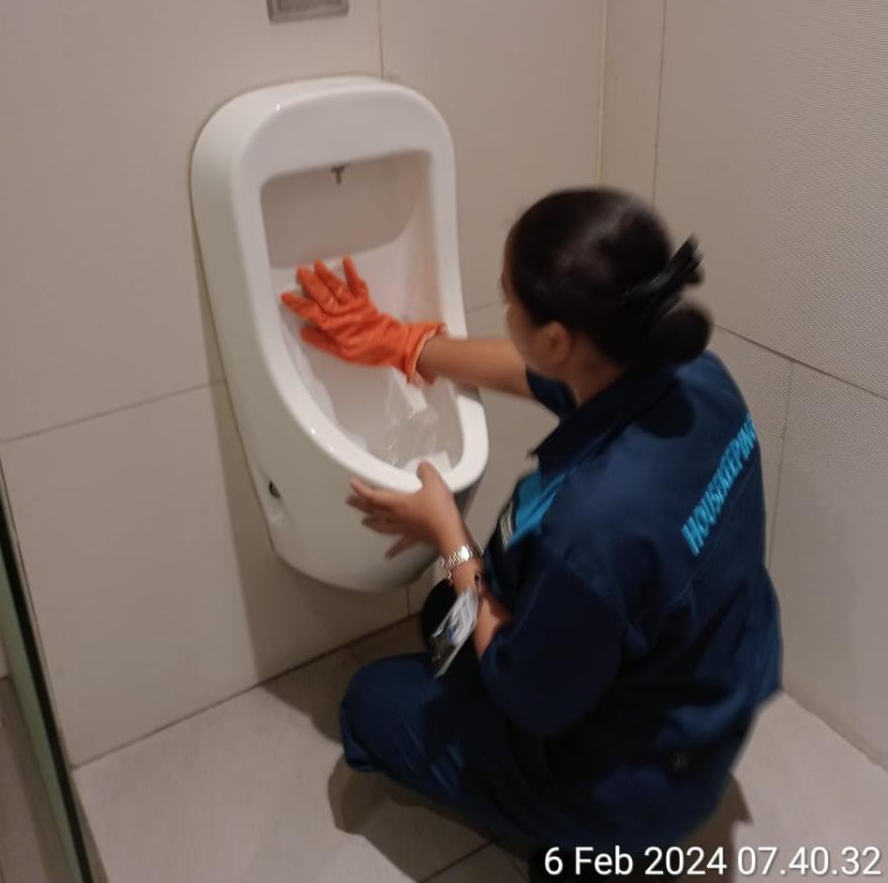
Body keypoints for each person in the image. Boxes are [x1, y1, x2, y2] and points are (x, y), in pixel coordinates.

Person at [282, 188, 782, 880]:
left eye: (508, 300)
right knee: (446, 618)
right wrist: (404, 344)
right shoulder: (695, 377)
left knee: (371, 704)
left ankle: (591, 844)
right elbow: (536, 375)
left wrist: (448, 534)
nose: (503, 309)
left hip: (633, 778)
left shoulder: (597, 528)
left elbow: (530, 697)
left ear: (557, 340)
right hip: (705, 691)